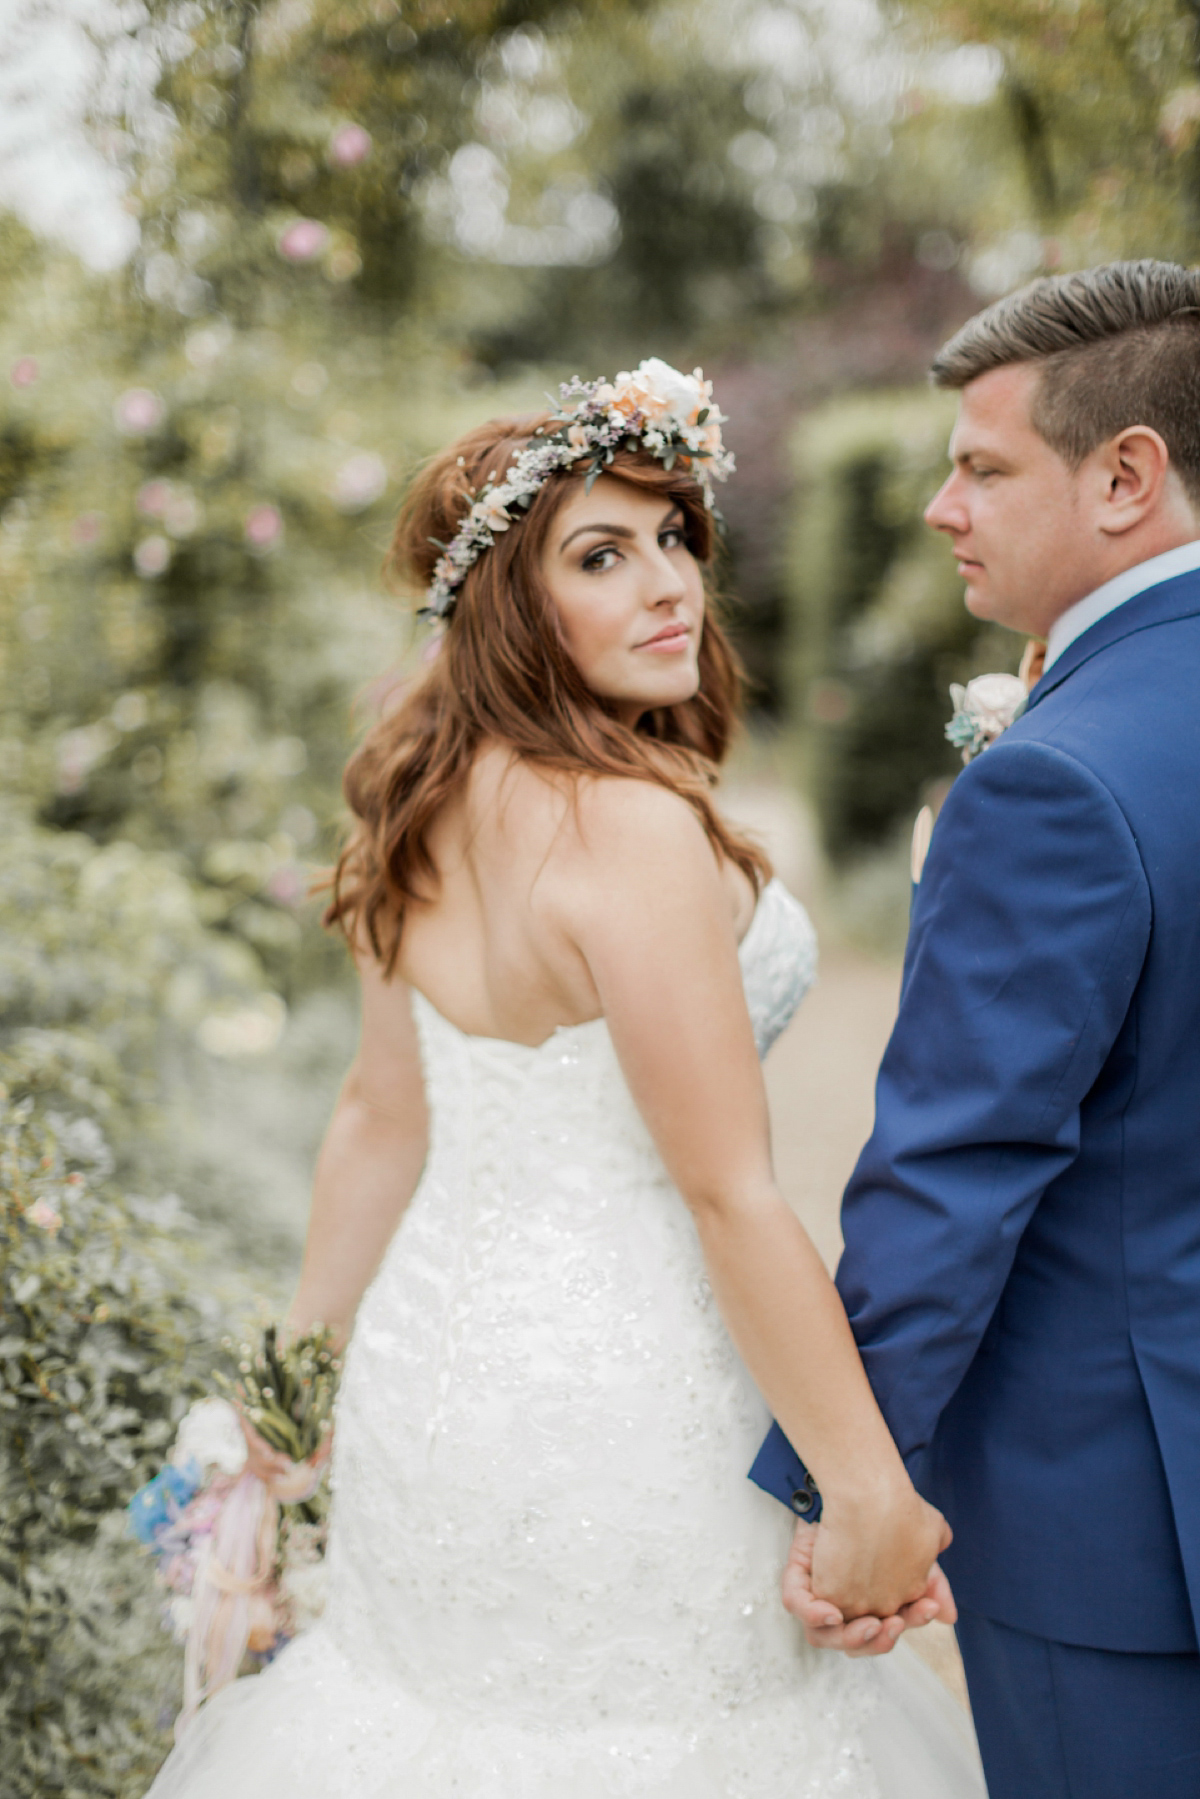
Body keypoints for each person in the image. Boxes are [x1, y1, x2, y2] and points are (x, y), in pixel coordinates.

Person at [144, 362, 983, 1797]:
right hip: (637, 1401)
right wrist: (868, 1489)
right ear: (509, 605)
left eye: (674, 540)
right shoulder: (632, 836)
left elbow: (376, 1121)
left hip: (434, 1386)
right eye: (602, 555)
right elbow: (726, 1192)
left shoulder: (411, 807)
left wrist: (292, 1399)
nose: (669, 585)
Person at [758, 261, 1200, 1797]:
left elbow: (958, 1171)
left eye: (984, 468)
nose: (944, 508)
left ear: (1128, 475)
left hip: (1129, 1537)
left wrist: (850, 1488)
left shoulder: (1054, 780)